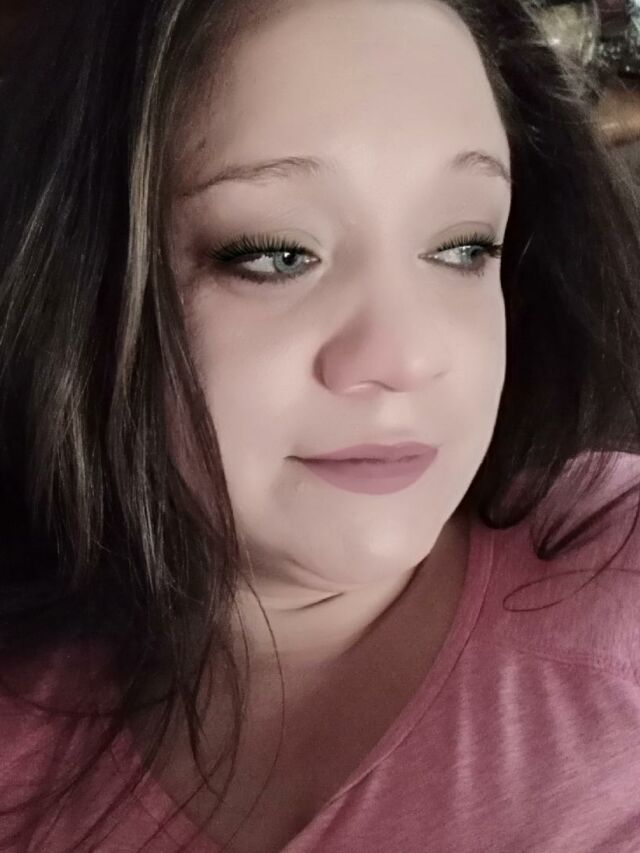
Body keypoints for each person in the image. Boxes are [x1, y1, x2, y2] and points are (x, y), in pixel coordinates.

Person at [1, 0, 640, 850]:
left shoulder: (617, 574)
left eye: (463, 246)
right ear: (72, 284)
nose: (408, 357)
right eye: (274, 253)